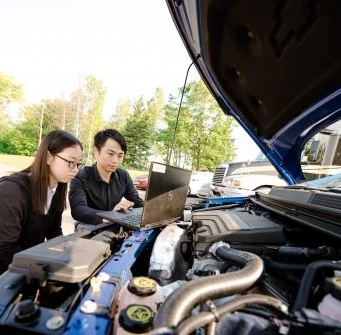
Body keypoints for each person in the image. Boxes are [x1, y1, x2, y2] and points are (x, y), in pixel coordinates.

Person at [0, 130, 83, 275]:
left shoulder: (56, 190)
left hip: (27, 267)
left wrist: (71, 254)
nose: (75, 170)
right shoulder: (12, 191)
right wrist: (46, 267)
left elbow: (54, 233)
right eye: (71, 162)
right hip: (7, 274)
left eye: (78, 164)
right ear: (48, 157)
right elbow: (5, 248)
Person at [69, 129, 144, 226]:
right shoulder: (81, 176)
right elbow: (78, 210)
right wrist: (110, 215)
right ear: (97, 152)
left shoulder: (123, 176)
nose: (115, 161)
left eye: (120, 155)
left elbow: (137, 202)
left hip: (113, 225)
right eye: (110, 154)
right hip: (88, 227)